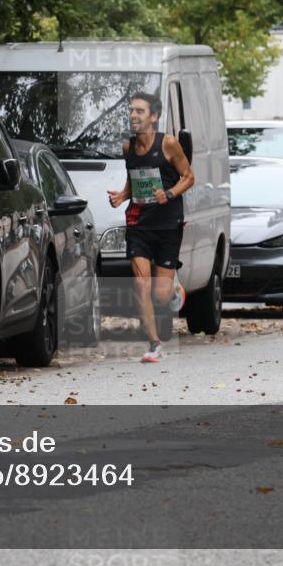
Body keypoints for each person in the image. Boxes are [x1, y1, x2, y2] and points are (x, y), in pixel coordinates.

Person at [107, 92, 194, 363]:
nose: (134, 115)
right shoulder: (127, 148)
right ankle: (154, 343)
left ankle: (174, 287)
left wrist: (169, 194)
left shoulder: (168, 144)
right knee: (141, 284)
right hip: (139, 222)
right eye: (132, 111)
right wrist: (123, 195)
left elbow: (189, 177)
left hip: (168, 223)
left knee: (161, 293)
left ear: (153, 117)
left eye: (140, 111)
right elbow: (135, 177)